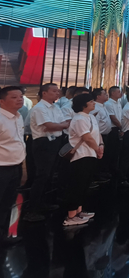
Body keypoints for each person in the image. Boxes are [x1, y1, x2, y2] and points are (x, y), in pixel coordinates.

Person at [26, 83, 70, 222]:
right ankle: (32, 209)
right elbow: (49, 126)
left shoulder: (55, 107)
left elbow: (64, 123)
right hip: (43, 143)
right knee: (42, 175)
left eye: (58, 91)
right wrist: (60, 125)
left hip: (55, 141)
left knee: (50, 174)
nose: (57, 93)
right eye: (54, 91)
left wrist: (59, 125)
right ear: (44, 93)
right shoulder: (39, 108)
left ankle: (44, 203)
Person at [63, 93, 103, 227]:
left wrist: (101, 145)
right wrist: (98, 149)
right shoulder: (79, 118)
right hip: (81, 155)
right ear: (83, 104)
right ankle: (71, 216)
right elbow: (87, 137)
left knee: (84, 185)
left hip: (91, 154)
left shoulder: (90, 116)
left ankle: (79, 211)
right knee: (77, 185)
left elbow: (97, 134)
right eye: (91, 101)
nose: (94, 103)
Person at [0, 87, 27, 245]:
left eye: (21, 96)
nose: (19, 99)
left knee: (8, 202)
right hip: (2, 168)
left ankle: (3, 235)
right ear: (2, 101)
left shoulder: (18, 117)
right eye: (14, 97)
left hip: (15, 166)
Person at [91, 88, 112, 180]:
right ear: (98, 96)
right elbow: (94, 124)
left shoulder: (103, 106)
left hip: (106, 135)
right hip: (99, 136)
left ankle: (101, 172)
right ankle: (95, 176)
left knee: (104, 155)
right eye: (104, 94)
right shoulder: (95, 108)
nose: (107, 95)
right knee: (98, 156)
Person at [104, 86, 123, 178]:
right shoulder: (108, 104)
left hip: (118, 128)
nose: (120, 93)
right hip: (113, 129)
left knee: (116, 150)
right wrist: (121, 127)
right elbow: (113, 118)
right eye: (118, 92)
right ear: (112, 93)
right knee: (110, 150)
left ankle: (114, 167)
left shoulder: (118, 102)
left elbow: (120, 116)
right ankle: (108, 169)